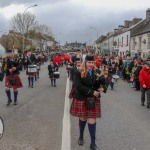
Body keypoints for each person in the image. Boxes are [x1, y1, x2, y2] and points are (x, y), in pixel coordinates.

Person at [70, 55, 107, 150]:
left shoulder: (97, 72)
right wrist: (92, 92)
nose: (91, 64)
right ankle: (81, 136)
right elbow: (77, 86)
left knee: (92, 120)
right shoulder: (78, 72)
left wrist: (103, 87)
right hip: (82, 98)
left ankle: (93, 144)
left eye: (92, 63)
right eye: (89, 62)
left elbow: (103, 82)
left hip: (93, 99)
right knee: (83, 118)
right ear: (85, 63)